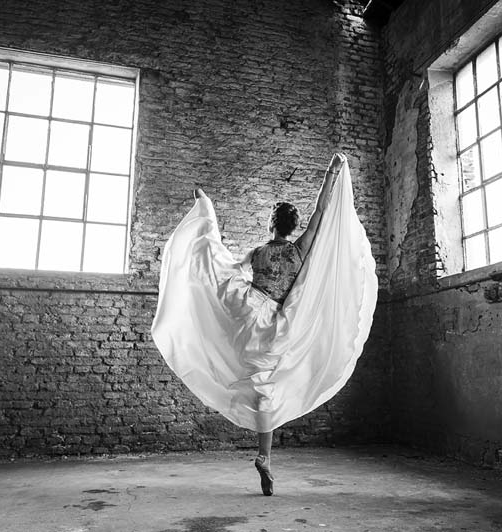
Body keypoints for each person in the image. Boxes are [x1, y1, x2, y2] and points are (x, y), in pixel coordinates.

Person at [152, 153, 377, 497]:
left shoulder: (258, 252)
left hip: (249, 317)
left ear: (272, 224)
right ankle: (264, 455)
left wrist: (208, 220)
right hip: (278, 327)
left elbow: (228, 270)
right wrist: (332, 172)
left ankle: (205, 208)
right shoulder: (300, 250)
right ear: (293, 227)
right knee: (266, 392)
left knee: (217, 275)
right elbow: (321, 212)